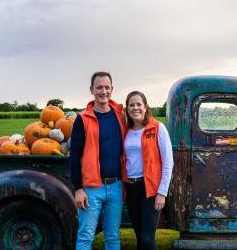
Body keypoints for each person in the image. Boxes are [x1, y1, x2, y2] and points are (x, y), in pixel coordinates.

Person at [70, 71, 126, 250]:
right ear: (91, 90)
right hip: (92, 189)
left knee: (113, 236)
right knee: (86, 236)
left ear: (112, 89)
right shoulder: (82, 119)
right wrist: (78, 189)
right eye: (99, 87)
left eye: (107, 87)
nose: (104, 91)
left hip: (116, 186)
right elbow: (74, 156)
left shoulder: (119, 114)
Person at [122, 91, 173, 250]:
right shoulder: (125, 130)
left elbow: (167, 162)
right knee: (139, 237)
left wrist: (162, 193)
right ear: (127, 109)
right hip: (131, 189)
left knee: (147, 239)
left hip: (150, 190)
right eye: (131, 105)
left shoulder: (158, 128)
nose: (135, 108)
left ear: (145, 107)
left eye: (139, 104)